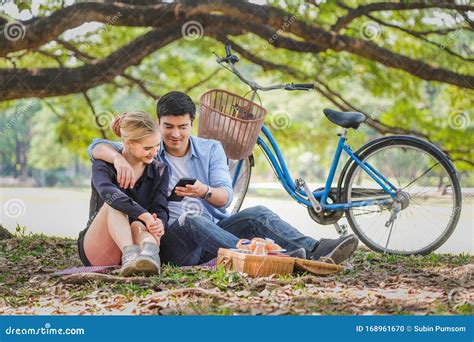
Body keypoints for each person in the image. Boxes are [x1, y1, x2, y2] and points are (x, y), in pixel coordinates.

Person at [88, 91, 358, 267]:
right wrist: (118, 159)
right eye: (168, 127)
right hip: (173, 238)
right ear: (159, 124)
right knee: (193, 219)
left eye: (182, 127)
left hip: (215, 231)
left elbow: (225, 198)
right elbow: (98, 146)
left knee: (258, 213)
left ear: (191, 123)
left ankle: (316, 250)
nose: (175, 134)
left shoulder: (211, 149)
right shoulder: (149, 150)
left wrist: (204, 191)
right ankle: (273, 261)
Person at [78, 111, 169, 277]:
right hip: (101, 247)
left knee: (139, 224)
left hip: (138, 236)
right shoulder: (103, 164)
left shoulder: (160, 170)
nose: (154, 152)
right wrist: (145, 215)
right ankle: (129, 256)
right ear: (128, 143)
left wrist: (159, 223)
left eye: (157, 146)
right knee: (114, 203)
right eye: (148, 148)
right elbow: (107, 192)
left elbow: (160, 207)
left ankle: (149, 255)